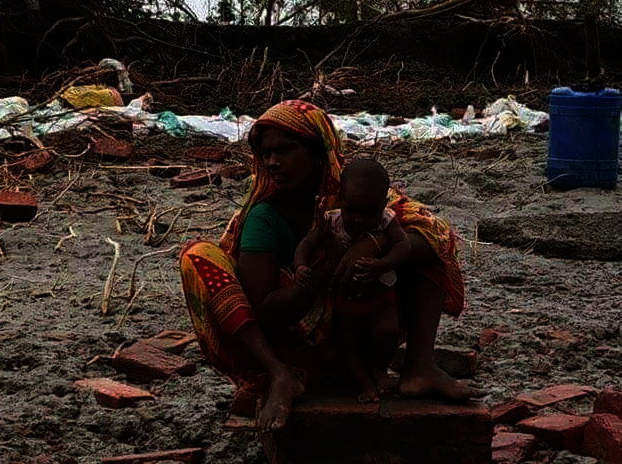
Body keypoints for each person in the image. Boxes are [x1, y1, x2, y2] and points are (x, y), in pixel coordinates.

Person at [179, 99, 476, 433]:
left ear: (319, 152)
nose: (273, 162)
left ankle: (419, 367)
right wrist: (329, 263)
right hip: (295, 350)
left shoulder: (354, 193)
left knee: (430, 239)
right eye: (266, 153)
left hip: (363, 337)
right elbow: (266, 311)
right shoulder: (263, 217)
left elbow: (433, 233)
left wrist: (373, 243)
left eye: (285, 150)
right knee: (197, 257)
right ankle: (280, 377)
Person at [293, 158, 411, 403]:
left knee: (388, 333)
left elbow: (403, 245)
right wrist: (301, 266)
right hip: (346, 300)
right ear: (341, 199)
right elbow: (306, 244)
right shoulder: (332, 221)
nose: (358, 219)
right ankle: (365, 384)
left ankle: (379, 368)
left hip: (381, 296)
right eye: (351, 210)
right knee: (349, 344)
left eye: (369, 212)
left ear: (383, 204)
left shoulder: (386, 220)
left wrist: (382, 265)